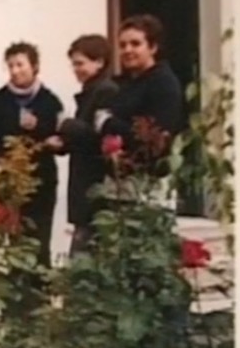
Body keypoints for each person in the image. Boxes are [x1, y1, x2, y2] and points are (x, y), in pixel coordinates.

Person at [0, 42, 65, 269]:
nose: (15, 71)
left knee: (40, 238)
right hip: (10, 181)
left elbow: (60, 138)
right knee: (15, 240)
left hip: (42, 179)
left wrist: (38, 127)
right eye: (11, 66)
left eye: (20, 65)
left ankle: (41, 285)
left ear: (34, 66)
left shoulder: (49, 100)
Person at [53, 34, 119, 255]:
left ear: (99, 62)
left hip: (94, 184)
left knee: (86, 252)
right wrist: (64, 143)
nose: (76, 70)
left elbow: (99, 136)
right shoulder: (91, 92)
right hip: (85, 186)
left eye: (80, 64)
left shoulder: (106, 92)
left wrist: (67, 125)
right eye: (74, 65)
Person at [95, 15, 185, 170]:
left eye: (135, 44)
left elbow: (156, 139)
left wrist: (108, 123)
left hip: (150, 177)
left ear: (153, 47)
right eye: (122, 45)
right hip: (123, 174)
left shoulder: (163, 83)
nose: (127, 50)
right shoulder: (127, 83)